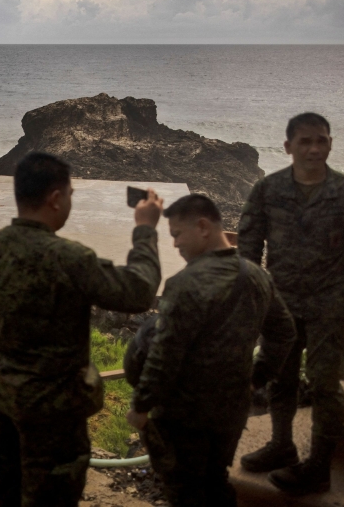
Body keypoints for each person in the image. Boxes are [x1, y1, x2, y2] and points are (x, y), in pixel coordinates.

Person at [0, 152, 163, 507]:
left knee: (5, 489)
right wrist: (145, 229)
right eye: (70, 194)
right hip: (54, 412)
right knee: (53, 496)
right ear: (56, 198)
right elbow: (139, 291)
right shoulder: (72, 258)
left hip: (3, 399)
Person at [126, 194, 296, 507]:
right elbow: (285, 332)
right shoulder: (257, 276)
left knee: (184, 491)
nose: (175, 244)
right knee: (216, 479)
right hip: (230, 410)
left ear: (203, 227)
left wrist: (141, 406)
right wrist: (256, 380)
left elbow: (165, 355)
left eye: (177, 234)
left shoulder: (185, 283)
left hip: (184, 416)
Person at [237, 112, 344, 496]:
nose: (314, 148)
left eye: (321, 140)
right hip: (281, 302)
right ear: (288, 147)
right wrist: (250, 302)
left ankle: (319, 466)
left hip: (330, 302)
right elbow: (249, 249)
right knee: (279, 376)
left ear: (331, 144)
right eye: (305, 142)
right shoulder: (267, 190)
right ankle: (282, 443)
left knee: (325, 383)